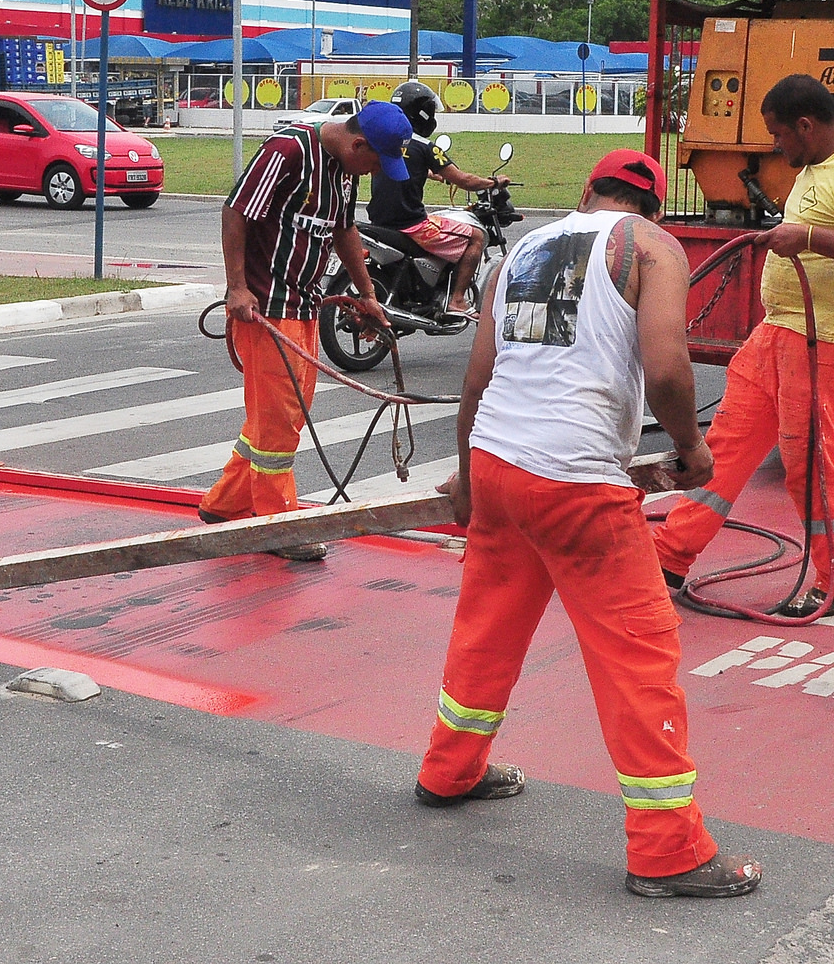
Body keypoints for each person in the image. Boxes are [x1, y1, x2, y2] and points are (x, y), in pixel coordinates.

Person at [415, 149, 761, 899]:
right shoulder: (651, 247)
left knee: (488, 622)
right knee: (638, 653)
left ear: (586, 192)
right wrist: (692, 448)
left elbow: (480, 375)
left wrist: (473, 480)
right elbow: (669, 369)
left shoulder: (530, 244)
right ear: (654, 208)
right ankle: (668, 851)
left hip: (503, 464)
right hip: (574, 483)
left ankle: (448, 770)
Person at [651, 73, 834, 617]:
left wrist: (807, 237)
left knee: (808, 460)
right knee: (726, 442)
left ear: (806, 126)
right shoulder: (817, 167)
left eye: (778, 135)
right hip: (782, 330)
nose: (775, 146)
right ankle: (670, 554)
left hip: (824, 338)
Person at [204, 105, 407, 560]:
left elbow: (344, 230)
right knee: (279, 426)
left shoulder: (345, 170)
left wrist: (368, 294)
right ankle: (278, 527)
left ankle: (225, 502)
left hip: (305, 306)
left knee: (278, 417)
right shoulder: (288, 151)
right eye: (375, 162)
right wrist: (237, 288)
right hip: (266, 309)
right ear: (358, 145)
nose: (375, 171)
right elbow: (236, 212)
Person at [365, 81, 511, 320]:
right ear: (422, 112)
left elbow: (404, 164)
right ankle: (457, 300)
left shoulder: (386, 139)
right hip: (412, 224)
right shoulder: (426, 146)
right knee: (475, 237)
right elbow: (464, 180)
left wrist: (432, 175)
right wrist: (493, 183)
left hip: (379, 220)